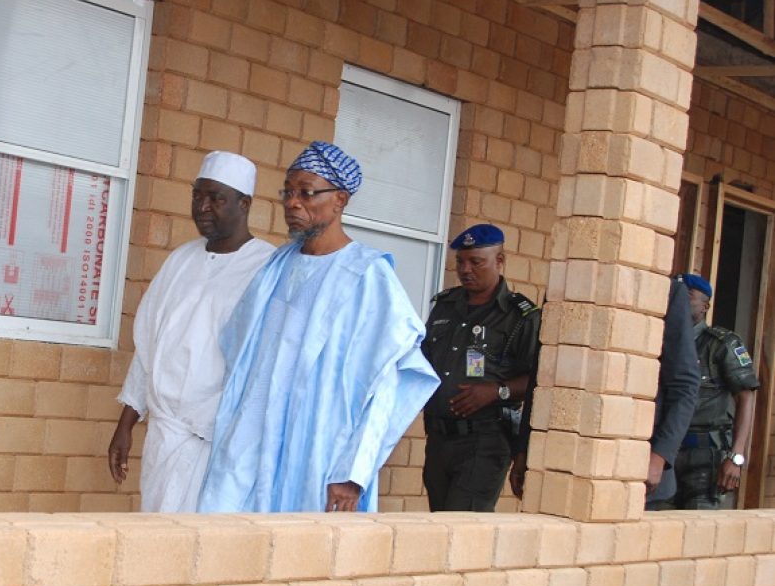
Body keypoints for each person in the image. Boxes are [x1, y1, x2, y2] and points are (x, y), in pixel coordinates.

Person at [196, 141, 440, 513]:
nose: (293, 203)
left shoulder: (368, 276)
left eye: (307, 193)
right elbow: (238, 347)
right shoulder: (277, 266)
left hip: (318, 454)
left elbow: (389, 385)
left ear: (339, 200)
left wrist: (353, 472)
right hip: (250, 441)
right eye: (288, 193)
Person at [108, 151, 274, 512]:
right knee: (157, 540)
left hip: (220, 445)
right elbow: (149, 348)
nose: (203, 207)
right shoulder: (180, 260)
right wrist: (126, 424)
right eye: (197, 195)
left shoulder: (266, 269)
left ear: (244, 204)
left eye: (216, 198)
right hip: (165, 438)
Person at [420, 224, 541, 512]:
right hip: (438, 439)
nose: (465, 270)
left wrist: (497, 391)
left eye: (476, 262)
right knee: (438, 528)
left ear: (500, 261)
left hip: (484, 442)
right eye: (460, 262)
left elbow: (539, 381)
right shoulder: (445, 305)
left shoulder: (520, 315)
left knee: (460, 532)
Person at [656, 273, 759, 509]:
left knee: (697, 531)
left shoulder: (722, 343)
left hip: (705, 456)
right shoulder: (658, 340)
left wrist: (736, 457)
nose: (679, 301)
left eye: (688, 296)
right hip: (665, 451)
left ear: (705, 306)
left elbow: (746, 396)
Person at [645, 276, 700, 509]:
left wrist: (660, 456)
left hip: (643, 464)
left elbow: (684, 385)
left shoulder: (665, 291)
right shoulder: (571, 275)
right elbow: (543, 371)